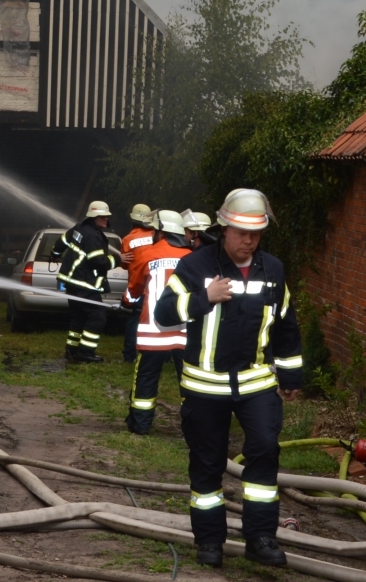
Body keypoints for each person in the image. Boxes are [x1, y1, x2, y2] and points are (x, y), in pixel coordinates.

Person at [154, 188, 302, 569]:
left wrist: (290, 374)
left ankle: (261, 538)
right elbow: (163, 313)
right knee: (207, 464)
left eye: (256, 234)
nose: (249, 241)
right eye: (241, 233)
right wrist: (203, 297)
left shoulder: (273, 269)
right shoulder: (195, 266)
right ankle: (209, 541)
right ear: (224, 229)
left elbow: (286, 323)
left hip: (256, 384)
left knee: (265, 452)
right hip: (205, 386)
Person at [124, 210, 190, 434]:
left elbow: (134, 289)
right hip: (185, 332)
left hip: (153, 332)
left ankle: (140, 424)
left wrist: (126, 301)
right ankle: (194, 426)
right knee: (188, 381)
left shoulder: (146, 254)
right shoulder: (192, 257)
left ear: (161, 232)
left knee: (146, 377)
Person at [56, 201, 116, 363]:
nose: (106, 218)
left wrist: (55, 253)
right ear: (93, 217)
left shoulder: (79, 228)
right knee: (97, 317)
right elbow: (98, 261)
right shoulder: (92, 235)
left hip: (72, 282)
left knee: (79, 317)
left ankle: (71, 351)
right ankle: (86, 353)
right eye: (102, 216)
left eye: (107, 216)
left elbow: (62, 241)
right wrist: (118, 259)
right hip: (84, 284)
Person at [119, 204, 158, 362]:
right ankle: (161, 353)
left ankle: (129, 355)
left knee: (134, 319)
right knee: (158, 318)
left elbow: (124, 265)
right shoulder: (156, 235)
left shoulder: (127, 239)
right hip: (157, 284)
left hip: (137, 286)